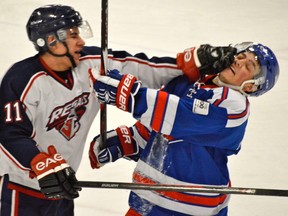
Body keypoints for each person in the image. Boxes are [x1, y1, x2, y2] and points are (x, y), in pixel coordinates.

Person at [0, 4, 237, 216]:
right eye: (73, 35)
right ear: (51, 41)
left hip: (64, 183)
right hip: (21, 185)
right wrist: (39, 162)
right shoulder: (22, 79)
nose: (81, 41)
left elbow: (146, 68)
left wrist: (192, 62)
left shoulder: (92, 60)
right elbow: (9, 134)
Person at [89, 42, 279, 215]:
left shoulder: (234, 108)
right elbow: (160, 129)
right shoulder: (194, 82)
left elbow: (178, 116)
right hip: (146, 202)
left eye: (249, 66)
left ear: (251, 87)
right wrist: (129, 141)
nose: (239, 62)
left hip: (192, 209)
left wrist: (132, 96)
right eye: (241, 57)